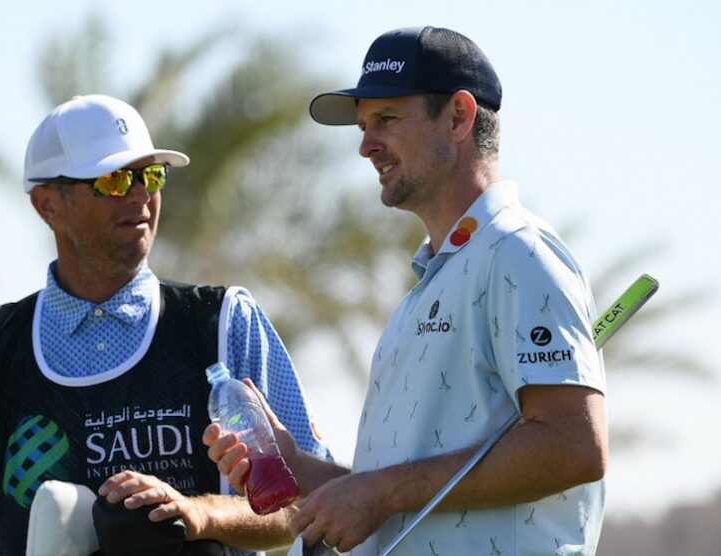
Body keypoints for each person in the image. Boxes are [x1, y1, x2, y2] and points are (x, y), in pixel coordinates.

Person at [205, 26, 608, 555]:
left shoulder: (518, 252)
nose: (365, 145)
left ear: (460, 116)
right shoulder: (429, 287)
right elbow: (406, 494)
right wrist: (299, 467)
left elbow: (573, 445)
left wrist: (380, 491)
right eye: (364, 125)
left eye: (386, 120)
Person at [0, 94, 329, 556]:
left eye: (151, 175)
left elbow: (307, 506)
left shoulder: (224, 322)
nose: (139, 194)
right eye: (113, 179)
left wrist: (200, 514)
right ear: (47, 204)